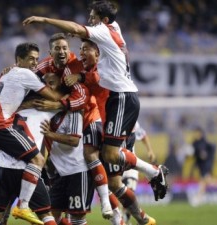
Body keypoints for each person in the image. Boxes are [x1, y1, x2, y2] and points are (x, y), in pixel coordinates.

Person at [23, 0, 169, 203]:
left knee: (110, 155)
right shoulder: (114, 27)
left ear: (104, 20)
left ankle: (153, 173)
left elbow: (76, 28)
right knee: (109, 155)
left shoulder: (104, 31)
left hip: (122, 97)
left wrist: (44, 19)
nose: (90, 21)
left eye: (93, 17)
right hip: (118, 98)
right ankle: (150, 174)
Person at [67, 38, 155, 225]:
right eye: (80, 49)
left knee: (103, 168)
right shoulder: (85, 68)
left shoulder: (105, 68)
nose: (81, 53)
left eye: (86, 49)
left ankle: (152, 172)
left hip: (115, 128)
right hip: (106, 127)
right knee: (112, 183)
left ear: (98, 54)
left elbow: (98, 79)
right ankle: (135, 218)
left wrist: (80, 77)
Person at [0, 42, 62, 225]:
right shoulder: (26, 75)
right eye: (31, 59)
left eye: (36, 60)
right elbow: (54, 97)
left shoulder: (4, 75)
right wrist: (59, 100)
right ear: (19, 60)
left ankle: (10, 208)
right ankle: (22, 206)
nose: (34, 63)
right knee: (37, 160)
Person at [33, 33, 113, 219]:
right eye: (57, 48)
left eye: (64, 48)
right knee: (53, 216)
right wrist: (11, 70)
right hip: (60, 169)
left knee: (90, 155)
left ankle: (110, 207)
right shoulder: (46, 66)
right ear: (50, 52)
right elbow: (28, 72)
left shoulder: (74, 70)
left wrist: (58, 105)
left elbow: (82, 101)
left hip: (90, 116)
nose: (61, 51)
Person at [40, 73, 95, 225]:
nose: (48, 86)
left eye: (52, 82)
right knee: (52, 216)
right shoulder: (46, 108)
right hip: (59, 173)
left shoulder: (75, 108)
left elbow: (74, 140)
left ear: (61, 84)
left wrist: (49, 134)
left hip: (77, 171)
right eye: (46, 83)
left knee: (77, 219)